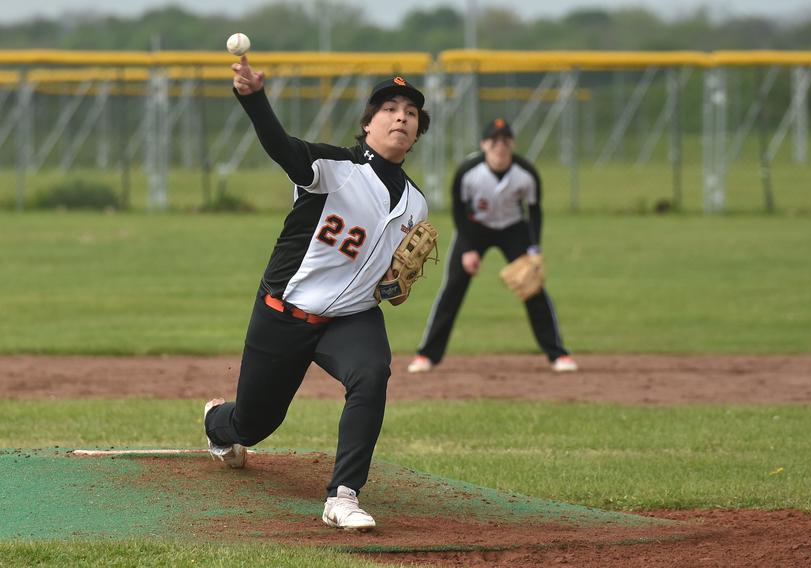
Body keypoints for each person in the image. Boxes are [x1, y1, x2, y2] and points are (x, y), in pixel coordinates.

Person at [203, 57, 431, 532]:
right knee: (254, 424)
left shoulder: (416, 203)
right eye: (389, 107)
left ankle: (343, 495)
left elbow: (383, 278)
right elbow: (280, 146)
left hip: (351, 318)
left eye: (410, 112)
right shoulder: (333, 168)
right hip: (286, 313)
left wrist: (392, 287)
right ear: (368, 123)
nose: (401, 116)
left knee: (371, 372)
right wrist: (253, 98)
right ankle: (217, 423)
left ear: (416, 133)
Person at [408, 118, 577, 374]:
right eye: (494, 141)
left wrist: (534, 249)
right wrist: (467, 248)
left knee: (533, 288)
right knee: (453, 288)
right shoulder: (469, 171)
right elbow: (459, 209)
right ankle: (427, 355)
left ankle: (558, 354)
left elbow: (534, 211)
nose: (500, 147)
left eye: (505, 141)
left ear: (513, 144)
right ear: (484, 144)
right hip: (474, 229)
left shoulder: (526, 173)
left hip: (513, 229)